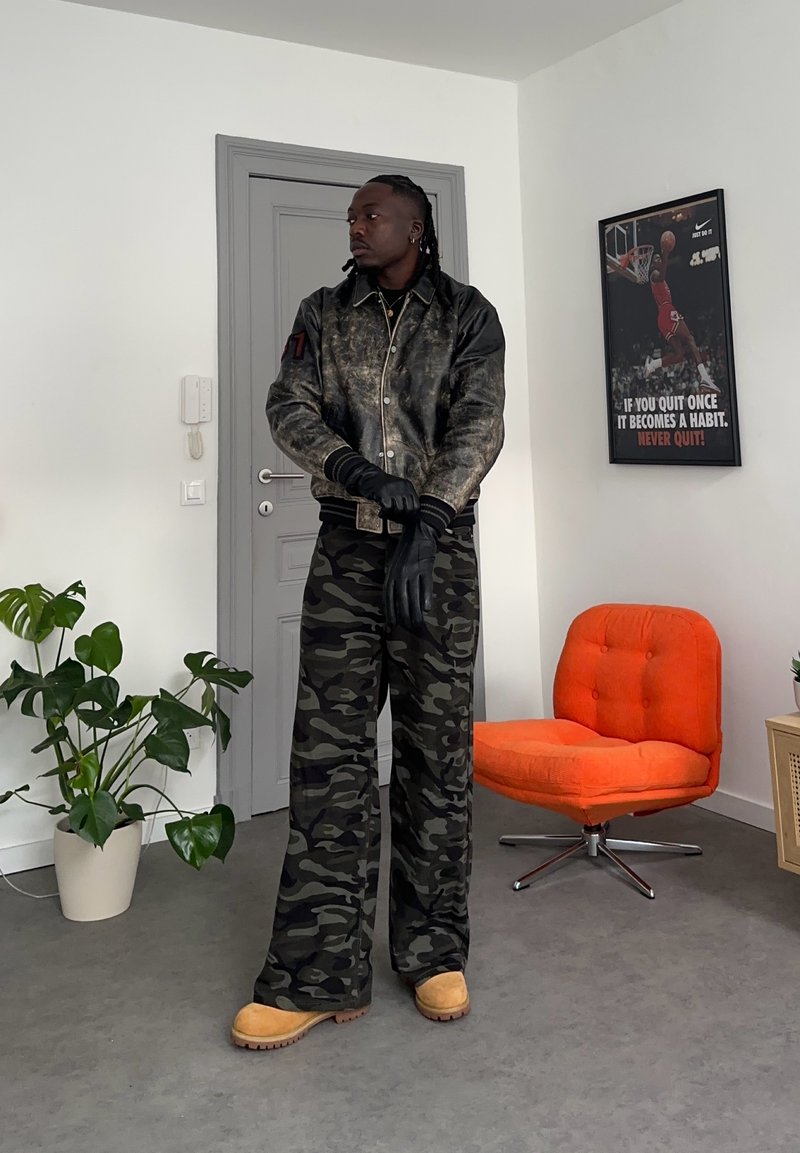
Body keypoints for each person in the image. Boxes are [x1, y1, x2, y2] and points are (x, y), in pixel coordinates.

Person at [231, 174, 506, 1051]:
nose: (355, 224)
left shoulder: (469, 315)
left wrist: (428, 519)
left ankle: (431, 952)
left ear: (415, 227)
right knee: (330, 757)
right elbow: (289, 404)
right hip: (348, 550)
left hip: (440, 555)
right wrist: (357, 474)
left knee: (435, 754)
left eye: (371, 213)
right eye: (352, 214)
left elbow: (479, 424)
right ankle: (317, 972)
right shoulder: (324, 310)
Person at [642, 239, 720, 393]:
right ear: (652, 265)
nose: (658, 260)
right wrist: (665, 253)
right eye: (655, 259)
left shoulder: (659, 279)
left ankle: (652, 365)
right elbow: (663, 272)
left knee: (679, 355)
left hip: (662, 318)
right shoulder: (656, 275)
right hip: (667, 311)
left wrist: (664, 256)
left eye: (659, 258)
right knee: (690, 339)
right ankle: (705, 378)